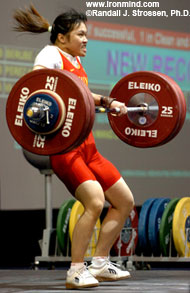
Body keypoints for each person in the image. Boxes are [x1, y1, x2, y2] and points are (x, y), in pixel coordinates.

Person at [13, 5, 135, 290]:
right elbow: (36, 90)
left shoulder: (74, 62)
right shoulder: (50, 54)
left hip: (88, 147)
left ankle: (101, 262)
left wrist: (106, 102)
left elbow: (76, 96)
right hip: (65, 150)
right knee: (94, 202)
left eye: (86, 34)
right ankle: (76, 271)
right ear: (62, 37)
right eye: (80, 34)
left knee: (125, 201)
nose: (86, 39)